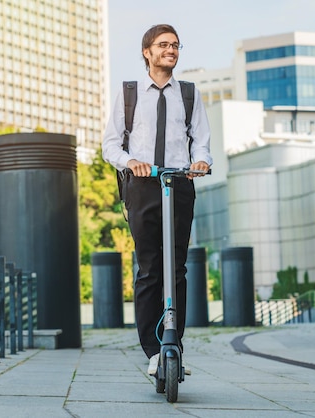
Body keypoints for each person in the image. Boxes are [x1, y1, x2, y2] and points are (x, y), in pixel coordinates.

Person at [101, 24, 213, 376]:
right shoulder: (130, 93)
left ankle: (173, 345)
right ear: (147, 52)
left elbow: (202, 141)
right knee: (150, 267)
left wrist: (202, 161)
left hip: (180, 182)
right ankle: (152, 350)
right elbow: (110, 144)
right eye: (163, 45)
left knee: (177, 267)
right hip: (142, 184)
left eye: (176, 45)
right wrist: (129, 161)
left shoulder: (190, 94)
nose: (171, 50)